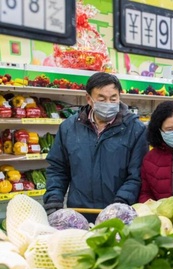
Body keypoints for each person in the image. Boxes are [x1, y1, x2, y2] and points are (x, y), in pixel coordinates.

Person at [43, 72, 149, 221]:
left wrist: (120, 204)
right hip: (78, 214)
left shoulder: (135, 129)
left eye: (113, 98)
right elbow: (58, 168)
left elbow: (137, 175)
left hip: (118, 214)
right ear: (89, 99)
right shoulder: (69, 128)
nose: (108, 103)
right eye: (102, 99)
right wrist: (53, 198)